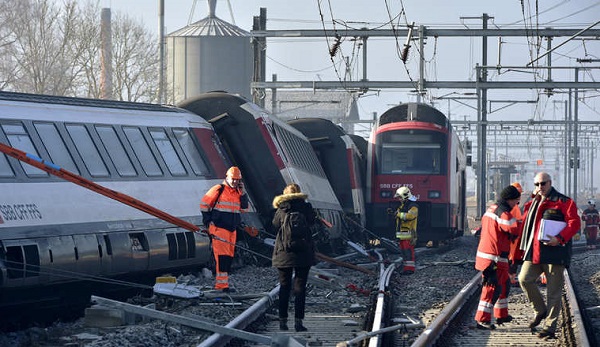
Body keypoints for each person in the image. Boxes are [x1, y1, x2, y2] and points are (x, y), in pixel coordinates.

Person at [517, 172, 580, 339]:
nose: (540, 187)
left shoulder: (564, 202)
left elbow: (575, 223)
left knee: (554, 292)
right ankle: (540, 310)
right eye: (537, 184)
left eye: (543, 184)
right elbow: (525, 223)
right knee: (524, 279)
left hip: (555, 253)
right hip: (535, 252)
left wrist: (559, 238)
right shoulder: (532, 203)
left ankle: (550, 327)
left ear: (550, 183)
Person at [474, 185, 521, 330]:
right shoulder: (503, 212)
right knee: (491, 288)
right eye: (516, 202)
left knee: (504, 284)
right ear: (510, 199)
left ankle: (501, 314)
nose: (516, 205)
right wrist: (522, 223)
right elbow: (512, 228)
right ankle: (482, 319)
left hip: (496, 256)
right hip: (493, 257)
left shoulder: (492, 209)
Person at [272, 183, 317, 332]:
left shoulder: (281, 208)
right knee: (300, 287)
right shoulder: (306, 207)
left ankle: (282, 322)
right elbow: (312, 222)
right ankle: (298, 323)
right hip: (303, 253)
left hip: (284, 252)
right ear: (299, 193)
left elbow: (275, 225)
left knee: (284, 287)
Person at [200, 166, 248, 292]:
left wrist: (243, 193)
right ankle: (220, 286)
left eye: (237, 180)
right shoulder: (218, 189)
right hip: (219, 228)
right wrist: (208, 222)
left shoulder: (238, 192)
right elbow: (204, 204)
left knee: (228, 258)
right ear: (227, 177)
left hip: (232, 230)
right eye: (233, 179)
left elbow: (244, 208)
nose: (235, 182)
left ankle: (223, 285)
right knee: (222, 257)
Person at [392, 186, 418, 274]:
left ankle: (410, 269)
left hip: (409, 233)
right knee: (404, 252)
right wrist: (394, 213)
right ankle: (406, 268)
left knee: (408, 252)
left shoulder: (413, 206)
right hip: (403, 234)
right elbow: (400, 216)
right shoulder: (403, 206)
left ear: (405, 196)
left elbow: (410, 216)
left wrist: (399, 214)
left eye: (400, 197)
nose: (399, 199)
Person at [507, 182, 524, 285]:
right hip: (513, 238)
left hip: (514, 238)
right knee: (512, 259)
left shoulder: (514, 207)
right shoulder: (513, 207)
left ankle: (511, 278)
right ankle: (510, 278)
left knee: (513, 259)